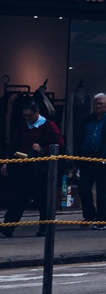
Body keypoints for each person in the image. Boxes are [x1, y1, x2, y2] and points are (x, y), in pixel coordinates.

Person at [2, 97, 62, 235]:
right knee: (18, 197)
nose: (27, 118)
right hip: (24, 167)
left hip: (40, 169)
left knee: (42, 199)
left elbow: (59, 144)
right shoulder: (24, 125)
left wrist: (42, 149)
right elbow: (14, 143)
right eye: (25, 116)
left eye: (29, 115)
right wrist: (6, 161)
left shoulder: (48, 125)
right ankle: (9, 226)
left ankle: (44, 228)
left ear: (37, 112)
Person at [73, 92, 106, 226]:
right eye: (95, 103)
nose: (97, 106)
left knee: (104, 191)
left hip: (104, 158)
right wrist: (76, 160)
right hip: (87, 158)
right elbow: (79, 138)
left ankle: (102, 220)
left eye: (101, 103)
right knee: (84, 188)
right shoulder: (87, 120)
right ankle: (89, 215)